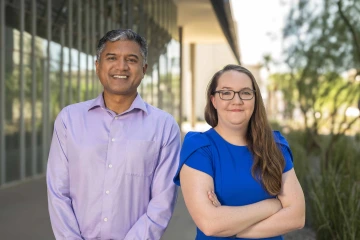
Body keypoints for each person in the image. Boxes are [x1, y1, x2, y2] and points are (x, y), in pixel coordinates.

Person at [47, 29, 181, 240]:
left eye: (131, 59)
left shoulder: (164, 126)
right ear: (97, 65)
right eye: (112, 58)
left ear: (144, 69)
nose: (121, 66)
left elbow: (163, 201)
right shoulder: (69, 120)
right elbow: (58, 193)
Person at [173, 65, 305, 239]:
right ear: (213, 100)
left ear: (255, 99)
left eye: (245, 93)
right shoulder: (199, 148)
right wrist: (272, 206)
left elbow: (296, 217)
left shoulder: (275, 145)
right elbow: (211, 224)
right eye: (226, 93)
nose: (237, 100)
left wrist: (230, 228)